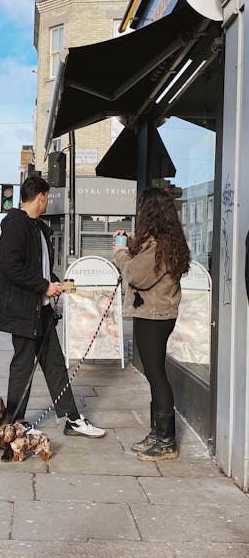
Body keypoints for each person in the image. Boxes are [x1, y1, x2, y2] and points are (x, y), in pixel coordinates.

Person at [0, 175, 105, 438]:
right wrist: (44, 286)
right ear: (41, 196)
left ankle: (72, 419)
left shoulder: (39, 228)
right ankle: (15, 421)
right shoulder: (15, 225)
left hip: (40, 311)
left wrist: (55, 283)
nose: (48, 202)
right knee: (22, 365)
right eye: (48, 197)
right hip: (22, 311)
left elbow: (38, 268)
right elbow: (10, 267)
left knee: (55, 363)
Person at [113, 187, 190, 461]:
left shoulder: (157, 246)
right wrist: (132, 242)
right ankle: (158, 433)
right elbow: (146, 262)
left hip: (154, 316)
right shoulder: (165, 242)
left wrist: (120, 252)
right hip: (158, 314)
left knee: (156, 374)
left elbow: (135, 275)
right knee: (153, 373)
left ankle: (166, 441)